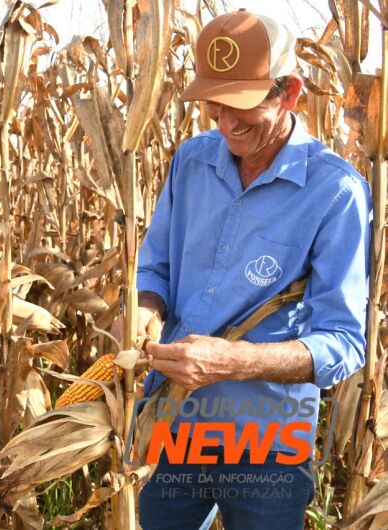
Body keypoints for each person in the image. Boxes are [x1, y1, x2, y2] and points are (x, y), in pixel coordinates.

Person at [130, 9, 371, 530]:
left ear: (290, 94)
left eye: (243, 107)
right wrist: (144, 309)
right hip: (176, 422)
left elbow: (345, 343)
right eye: (215, 105)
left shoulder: (336, 193)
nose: (227, 124)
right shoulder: (191, 162)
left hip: (269, 441)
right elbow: (155, 269)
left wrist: (233, 362)